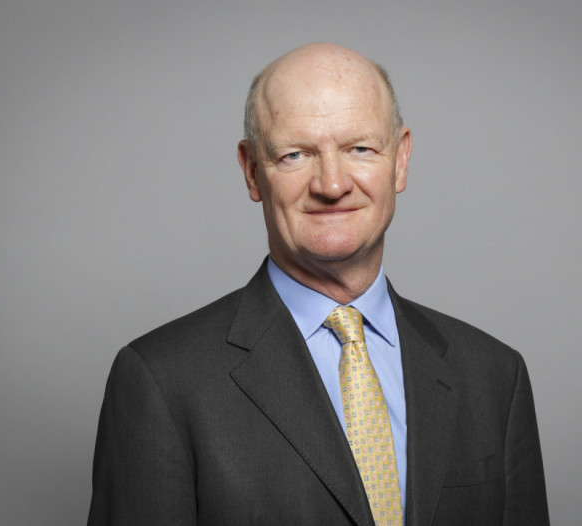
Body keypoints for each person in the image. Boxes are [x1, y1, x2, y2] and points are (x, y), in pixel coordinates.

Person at [87, 42, 549, 526]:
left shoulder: (495, 377)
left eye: (360, 149)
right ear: (252, 171)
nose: (331, 184)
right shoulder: (161, 381)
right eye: (296, 154)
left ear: (401, 160)